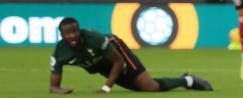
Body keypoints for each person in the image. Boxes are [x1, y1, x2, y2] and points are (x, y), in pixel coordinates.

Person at [49, 17, 212, 94]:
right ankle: (185, 79)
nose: (72, 36)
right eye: (67, 34)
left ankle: (187, 80)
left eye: (75, 32)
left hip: (116, 52)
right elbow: (53, 86)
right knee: (142, 88)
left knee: (150, 87)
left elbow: (118, 62)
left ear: (79, 31)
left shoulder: (94, 39)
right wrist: (59, 90)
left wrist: (106, 88)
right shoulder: (60, 53)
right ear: (61, 36)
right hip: (103, 65)